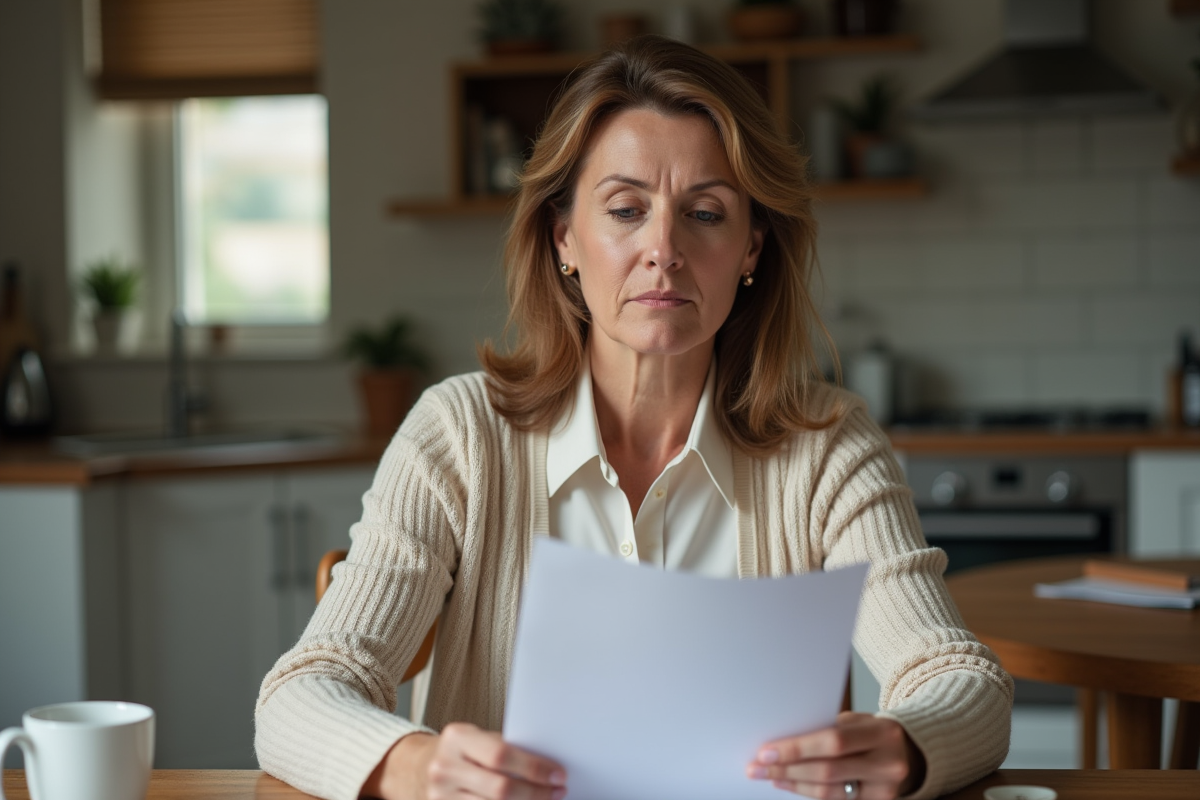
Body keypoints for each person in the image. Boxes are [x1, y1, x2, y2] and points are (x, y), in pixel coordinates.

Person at [256, 35, 1012, 800]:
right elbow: (300, 694)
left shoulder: (828, 446)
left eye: (705, 213)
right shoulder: (457, 435)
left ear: (752, 247)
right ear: (564, 241)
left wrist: (907, 746)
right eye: (625, 209)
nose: (664, 249)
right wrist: (418, 768)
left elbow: (962, 679)